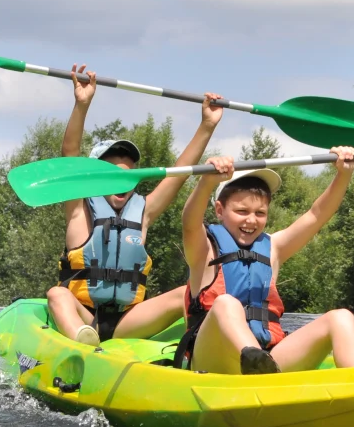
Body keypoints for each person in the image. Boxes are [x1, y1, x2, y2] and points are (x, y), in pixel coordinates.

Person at [47, 65, 223, 345]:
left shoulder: (143, 212)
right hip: (82, 314)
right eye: (113, 174)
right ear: (94, 178)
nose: (122, 181)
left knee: (186, 292)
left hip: (127, 321)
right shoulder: (79, 207)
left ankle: (198, 349)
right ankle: (81, 342)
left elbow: (179, 174)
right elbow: (70, 154)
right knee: (57, 294)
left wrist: (207, 126)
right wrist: (82, 104)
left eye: (128, 175)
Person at [178, 149, 354, 375]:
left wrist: (344, 174)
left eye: (260, 213)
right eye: (242, 211)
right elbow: (190, 222)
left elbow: (317, 215)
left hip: (267, 358)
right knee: (226, 303)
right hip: (213, 360)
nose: (251, 220)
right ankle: (254, 361)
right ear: (220, 210)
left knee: (341, 318)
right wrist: (207, 182)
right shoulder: (204, 249)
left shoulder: (273, 249)